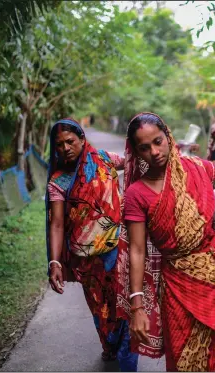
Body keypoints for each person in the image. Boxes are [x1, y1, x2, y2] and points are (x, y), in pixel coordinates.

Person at [115, 112, 215, 371]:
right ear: (135, 152)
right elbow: (136, 251)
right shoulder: (136, 194)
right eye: (144, 148)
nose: (154, 152)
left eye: (158, 141)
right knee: (186, 361)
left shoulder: (196, 168)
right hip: (178, 283)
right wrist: (137, 306)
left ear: (168, 137)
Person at [45, 118, 138, 371]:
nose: (65, 148)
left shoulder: (104, 159)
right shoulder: (59, 181)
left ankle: (127, 358)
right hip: (87, 261)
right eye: (59, 144)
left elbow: (133, 161)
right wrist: (54, 262)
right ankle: (110, 345)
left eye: (70, 141)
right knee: (101, 311)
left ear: (82, 139)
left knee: (125, 306)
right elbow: (57, 223)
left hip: (119, 250)